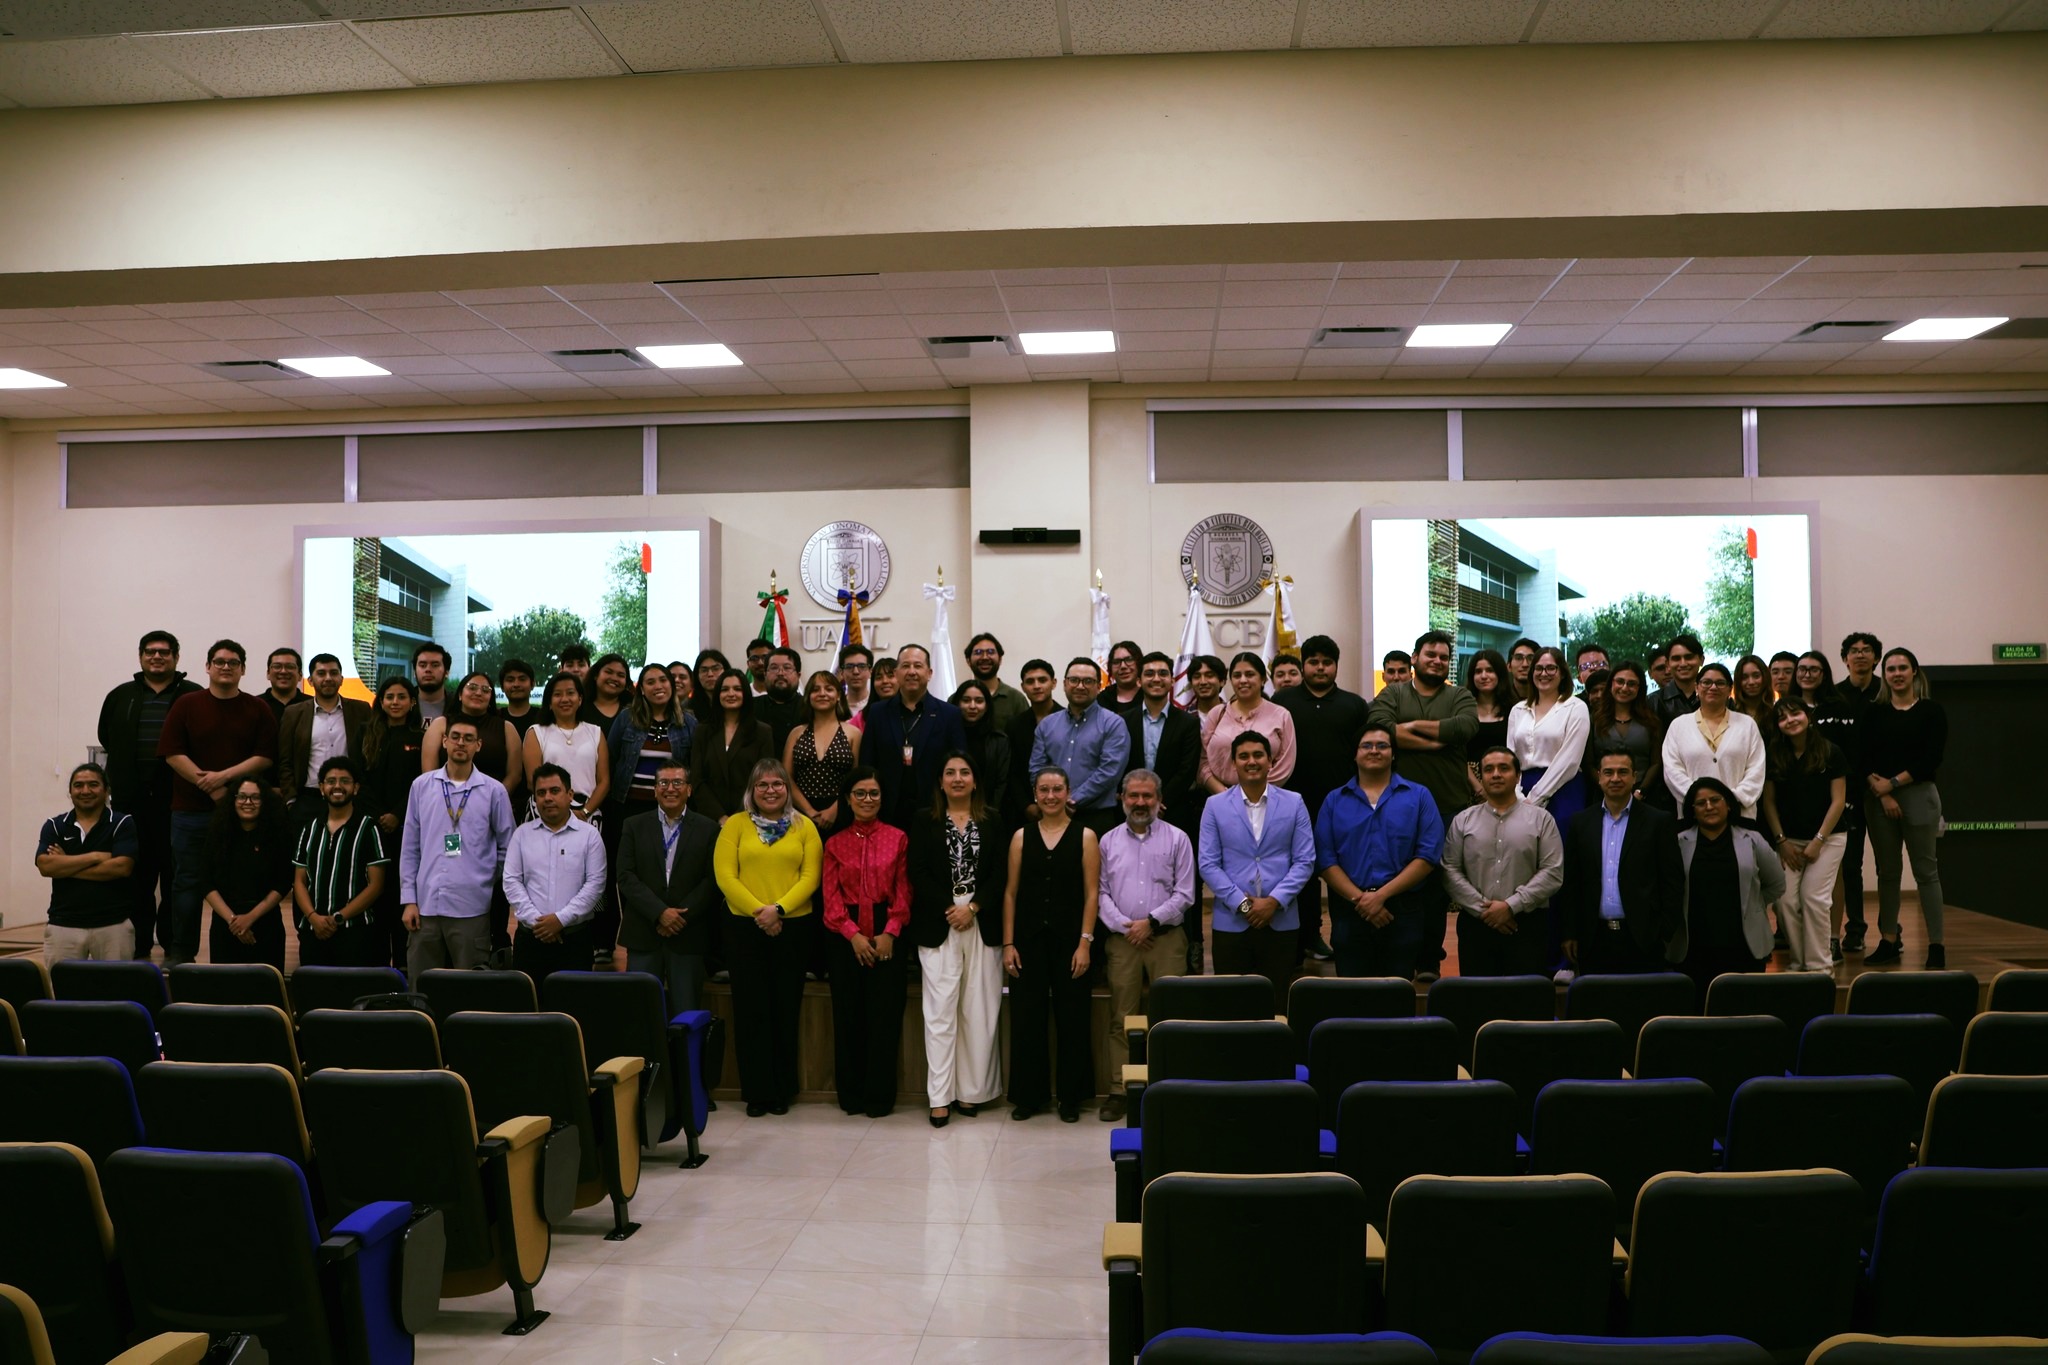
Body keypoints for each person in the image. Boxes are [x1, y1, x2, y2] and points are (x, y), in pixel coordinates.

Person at [159, 639, 278, 967]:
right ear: (208, 666)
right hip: (189, 812)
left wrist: (223, 778)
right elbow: (172, 753)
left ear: (243, 669)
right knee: (186, 882)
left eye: (233, 662)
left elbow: (265, 758)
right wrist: (208, 785)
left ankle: (242, 949)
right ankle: (181, 954)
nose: (226, 667)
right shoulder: (186, 704)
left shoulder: (257, 708)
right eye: (220, 661)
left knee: (241, 881)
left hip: (242, 814)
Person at [715, 760, 823, 1116]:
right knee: (751, 1010)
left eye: (778, 784)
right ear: (752, 790)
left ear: (787, 789)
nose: (771, 790)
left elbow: (810, 877)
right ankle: (757, 1092)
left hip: (793, 926)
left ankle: (782, 1091)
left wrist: (778, 909)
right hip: (744, 929)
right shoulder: (735, 825)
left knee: (784, 1009)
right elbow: (726, 878)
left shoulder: (804, 826)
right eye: (763, 785)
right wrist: (761, 913)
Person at [1368, 631, 1477, 983]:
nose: (1437, 661)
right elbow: (1380, 727)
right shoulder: (1394, 693)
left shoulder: (1459, 695)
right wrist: (1434, 743)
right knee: (1401, 881)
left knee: (1437, 889)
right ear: (1414, 658)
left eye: (1444, 657)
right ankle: (1400, 955)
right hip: (1399, 806)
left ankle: (1429, 959)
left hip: (1449, 804)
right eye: (1430, 654)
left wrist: (1411, 727)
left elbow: (1465, 727)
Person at [909, 752, 1007, 1127]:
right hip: (940, 921)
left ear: (976, 780)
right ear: (940, 781)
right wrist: (952, 908)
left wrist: (975, 907)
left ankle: (971, 1093)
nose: (957, 778)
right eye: (949, 772)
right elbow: (917, 871)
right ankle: (940, 1097)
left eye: (965, 772)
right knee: (939, 1014)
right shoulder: (924, 819)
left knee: (978, 1012)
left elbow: (1000, 872)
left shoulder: (993, 820)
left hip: (981, 921)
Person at [1003, 767, 1100, 1123]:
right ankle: (1030, 1096)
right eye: (1044, 789)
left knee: (1072, 1018)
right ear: (1035, 794)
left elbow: (1092, 894)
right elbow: (1010, 894)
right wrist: (1009, 942)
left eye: (1057, 789)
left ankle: (1071, 1097)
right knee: (1027, 1018)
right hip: (1027, 940)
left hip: (1070, 941)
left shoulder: (1086, 836)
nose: (1050, 796)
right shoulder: (1020, 837)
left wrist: (1085, 943)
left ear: (1067, 792)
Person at [1096, 768, 1193, 1120]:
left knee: (1170, 1018)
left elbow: (1185, 894)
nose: (1140, 802)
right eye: (1133, 796)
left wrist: (1150, 922)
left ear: (1159, 800)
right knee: (1121, 1018)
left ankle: (1171, 1086)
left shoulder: (1178, 838)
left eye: (1147, 796)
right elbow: (1101, 893)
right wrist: (1127, 927)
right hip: (1123, 942)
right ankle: (1120, 1090)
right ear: (1122, 799)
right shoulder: (1107, 842)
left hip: (1166, 940)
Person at [98, 630, 200, 960]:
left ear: (176, 658)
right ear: (140, 656)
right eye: (151, 652)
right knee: (136, 880)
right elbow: (107, 738)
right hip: (131, 806)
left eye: (165, 652)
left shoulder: (194, 696)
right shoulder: (120, 696)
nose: (157, 657)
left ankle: (175, 948)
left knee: (176, 880)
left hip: (179, 804)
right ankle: (138, 947)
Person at [1315, 723, 1445, 980]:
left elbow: (1428, 855)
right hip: (1350, 909)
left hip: (1403, 909)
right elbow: (1325, 858)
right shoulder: (1334, 800)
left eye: (1382, 746)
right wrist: (1362, 900)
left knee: (1398, 995)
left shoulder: (1419, 796)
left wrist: (1380, 896)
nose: (1374, 751)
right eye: (1366, 746)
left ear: (1394, 754)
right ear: (1354, 754)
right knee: (1352, 997)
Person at [821, 768, 910, 1118]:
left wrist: (890, 931)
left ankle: (879, 1097)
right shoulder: (834, 842)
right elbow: (830, 900)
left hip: (888, 933)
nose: (867, 799)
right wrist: (853, 935)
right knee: (848, 1016)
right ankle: (851, 1095)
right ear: (847, 799)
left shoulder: (899, 838)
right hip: (846, 938)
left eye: (873, 793)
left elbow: (904, 890)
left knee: (884, 1017)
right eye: (860, 793)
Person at [399, 716, 518, 976]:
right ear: (444, 741)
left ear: (479, 745)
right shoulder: (421, 787)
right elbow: (410, 847)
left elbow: (508, 847)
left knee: (469, 990)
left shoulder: (494, 791)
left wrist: (484, 879)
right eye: (455, 737)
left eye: (468, 739)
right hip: (426, 905)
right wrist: (409, 900)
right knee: (422, 987)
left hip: (471, 907)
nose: (460, 743)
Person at [1198, 730, 1314, 988]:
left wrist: (1274, 901)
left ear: (1270, 761)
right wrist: (1244, 905)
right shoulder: (1214, 806)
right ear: (1233, 763)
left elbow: (1305, 861)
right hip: (1232, 921)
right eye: (1244, 756)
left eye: (1259, 755)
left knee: (1277, 1002)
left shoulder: (1294, 803)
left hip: (1280, 919)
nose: (1252, 761)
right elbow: (1208, 863)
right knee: (1231, 1005)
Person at [602, 663, 696, 966]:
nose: (658, 685)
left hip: (669, 810)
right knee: (629, 875)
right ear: (640, 688)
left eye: (663, 680)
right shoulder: (627, 719)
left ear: (672, 686)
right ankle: (638, 939)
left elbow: (691, 766)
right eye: (650, 681)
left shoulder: (688, 723)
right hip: (629, 808)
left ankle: (665, 930)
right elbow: (613, 758)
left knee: (666, 874)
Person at [1439, 748, 1563, 976]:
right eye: (1489, 769)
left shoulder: (1541, 819)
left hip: (1526, 924)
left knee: (1525, 1005)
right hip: (1476, 925)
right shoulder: (1463, 821)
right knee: (1478, 1003)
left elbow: (1552, 872)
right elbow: (1450, 870)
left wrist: (1511, 906)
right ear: (1482, 777)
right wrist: (1485, 910)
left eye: (1504, 768)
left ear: (1518, 777)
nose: (1496, 774)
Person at [1560, 750, 1686, 975]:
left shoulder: (1658, 822)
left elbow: (1672, 881)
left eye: (1622, 772)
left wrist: (1663, 931)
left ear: (1634, 776)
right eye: (1608, 772)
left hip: (1643, 938)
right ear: (1599, 777)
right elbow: (1572, 882)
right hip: (1593, 939)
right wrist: (1570, 932)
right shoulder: (1581, 823)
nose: (1615, 778)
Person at [1861, 646, 1948, 968]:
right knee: (1888, 873)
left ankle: (1936, 945)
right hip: (1879, 798)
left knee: (1926, 873)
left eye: (1902, 668)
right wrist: (1882, 793)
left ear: (1914, 672)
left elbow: (1931, 758)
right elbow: (1863, 756)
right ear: (1884, 675)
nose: (1897, 673)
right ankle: (1888, 940)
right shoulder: (1874, 712)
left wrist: (1894, 784)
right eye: (1891, 669)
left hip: (1919, 795)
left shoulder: (1931, 711)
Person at [616, 762, 720, 1011]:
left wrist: (679, 915)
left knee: (687, 1015)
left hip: (688, 933)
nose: (670, 788)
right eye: (663, 783)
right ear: (654, 790)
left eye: (677, 783)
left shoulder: (708, 828)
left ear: (689, 790)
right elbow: (625, 876)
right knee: (639, 1013)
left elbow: (712, 880)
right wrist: (660, 913)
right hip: (643, 931)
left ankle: (685, 1054)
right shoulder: (633, 825)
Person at [1123, 652, 1205, 970]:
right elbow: (1122, 764)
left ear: (1172, 680)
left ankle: (1190, 944)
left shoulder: (1188, 721)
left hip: (1175, 812)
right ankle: (1132, 940)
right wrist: (1137, 802)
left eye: (1162, 673)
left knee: (1183, 881)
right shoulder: (1125, 720)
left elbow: (1187, 768)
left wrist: (1158, 801)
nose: (1156, 678)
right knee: (1133, 878)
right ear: (1140, 679)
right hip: (1131, 815)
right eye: (1150, 673)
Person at [1674, 776, 1786, 1005]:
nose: (1709, 807)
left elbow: (1777, 884)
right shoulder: (1678, 843)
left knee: (1744, 1013)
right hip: (1694, 950)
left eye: (1715, 800)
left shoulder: (1752, 839)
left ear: (1728, 804)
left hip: (1744, 947)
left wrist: (1752, 902)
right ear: (1692, 811)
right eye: (1701, 803)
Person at [1761, 697, 1849, 973]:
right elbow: (1769, 803)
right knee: (1784, 901)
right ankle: (1800, 964)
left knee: (1814, 899)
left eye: (1795, 714)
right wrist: (1782, 842)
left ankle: (1821, 969)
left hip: (1829, 838)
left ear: (1808, 716)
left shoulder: (1830, 751)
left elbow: (1838, 802)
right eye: (1783, 718)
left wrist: (1818, 842)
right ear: (1778, 726)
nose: (1791, 721)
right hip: (1788, 841)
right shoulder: (1774, 754)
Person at [504, 764, 607, 987]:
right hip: (530, 941)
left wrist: (560, 920)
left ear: (570, 795)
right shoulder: (522, 835)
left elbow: (595, 885)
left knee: (573, 1012)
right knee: (529, 1013)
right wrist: (538, 923)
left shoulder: (589, 836)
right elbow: (511, 881)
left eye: (554, 791)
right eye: (541, 793)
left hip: (574, 941)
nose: (547, 798)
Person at [290, 757, 389, 967]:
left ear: (355, 788)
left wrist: (338, 918)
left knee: (353, 997)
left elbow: (377, 885)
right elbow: (299, 882)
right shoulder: (309, 829)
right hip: (313, 931)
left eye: (345, 781)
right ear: (321, 788)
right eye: (331, 781)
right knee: (315, 998)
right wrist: (313, 917)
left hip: (355, 933)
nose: (337, 786)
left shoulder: (369, 828)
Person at [36, 764, 138, 965]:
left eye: (93, 785)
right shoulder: (54, 825)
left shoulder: (122, 823)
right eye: (78, 785)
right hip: (63, 926)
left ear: (106, 790)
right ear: (70, 791)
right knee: (62, 994)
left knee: (117, 994)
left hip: (113, 926)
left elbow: (122, 867)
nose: (85, 791)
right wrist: (95, 857)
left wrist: (65, 865)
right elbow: (46, 867)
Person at [862, 644, 968, 831]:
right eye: (905, 666)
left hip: (935, 809)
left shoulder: (949, 714)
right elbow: (867, 761)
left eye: (918, 666)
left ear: (929, 672)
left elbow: (958, 763)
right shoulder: (878, 713)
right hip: (887, 810)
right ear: (896, 673)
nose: (911, 672)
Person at [1029, 656, 1133, 837]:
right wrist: (1052, 798)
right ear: (1064, 683)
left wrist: (1071, 800)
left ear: (1099, 686)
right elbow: (1036, 769)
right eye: (1074, 680)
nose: (1080, 686)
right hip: (1051, 815)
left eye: (1088, 681)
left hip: (1096, 818)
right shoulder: (1047, 725)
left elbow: (1110, 772)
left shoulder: (1113, 724)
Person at [361, 676, 424, 969]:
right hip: (370, 829)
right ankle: (374, 971)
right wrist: (379, 815)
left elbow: (419, 783)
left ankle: (402, 969)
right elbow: (358, 780)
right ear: (381, 701)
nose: (395, 702)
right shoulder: (366, 733)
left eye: (401, 697)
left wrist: (397, 814)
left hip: (406, 830)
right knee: (374, 900)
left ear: (412, 702)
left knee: (400, 897)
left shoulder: (420, 738)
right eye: (389, 697)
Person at [274, 653, 372, 825]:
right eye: (321, 673)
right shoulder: (294, 713)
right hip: (308, 799)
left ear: (341, 679)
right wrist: (291, 800)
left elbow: (369, 755)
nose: (328, 678)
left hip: (351, 798)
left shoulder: (361, 710)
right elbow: (285, 760)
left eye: (333, 673)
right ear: (310, 680)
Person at [1832, 632, 1884, 956]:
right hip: (1847, 792)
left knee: (1886, 866)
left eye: (1867, 651)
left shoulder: (1887, 691)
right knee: (1850, 865)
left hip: (1883, 790)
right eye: (1855, 651)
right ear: (1845, 659)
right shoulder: (1835, 697)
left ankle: (1891, 931)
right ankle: (1855, 930)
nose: (1861, 655)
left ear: (1876, 658)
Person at [204, 777, 291, 968]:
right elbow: (206, 881)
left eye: (255, 798)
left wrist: (249, 918)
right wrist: (234, 922)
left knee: (267, 992)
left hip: (265, 923)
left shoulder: (277, 835)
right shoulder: (218, 833)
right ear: (233, 800)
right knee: (225, 992)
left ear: (264, 801)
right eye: (242, 797)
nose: (248, 803)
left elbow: (283, 882)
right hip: (225, 924)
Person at [1662, 662, 1767, 819]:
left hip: (1739, 814)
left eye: (1720, 683)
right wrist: (1700, 801)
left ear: (1729, 689)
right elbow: (1672, 771)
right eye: (1706, 682)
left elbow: (1756, 770)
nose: (1713, 687)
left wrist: (1731, 800)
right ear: (1697, 687)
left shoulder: (1747, 724)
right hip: (1693, 816)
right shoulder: (1679, 725)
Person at [1508, 646, 1592, 841]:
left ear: (1562, 673)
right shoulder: (1518, 710)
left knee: (1560, 851)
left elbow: (1569, 760)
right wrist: (1517, 796)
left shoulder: (1576, 707)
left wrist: (1535, 798)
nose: (1543, 674)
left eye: (1550, 668)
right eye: (1538, 669)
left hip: (1563, 789)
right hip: (1521, 789)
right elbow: (1509, 757)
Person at [1200, 652, 1298, 793]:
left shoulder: (1281, 715)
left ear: (1263, 679)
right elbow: (1203, 763)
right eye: (1237, 675)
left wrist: (1252, 795)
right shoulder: (1217, 714)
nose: (1243, 680)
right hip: (1220, 799)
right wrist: (1225, 795)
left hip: (1268, 798)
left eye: (1250, 674)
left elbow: (1285, 765)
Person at [423, 672, 524, 803]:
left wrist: (496, 799)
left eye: (485, 690)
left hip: (492, 802)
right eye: (472, 687)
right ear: (460, 694)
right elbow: (429, 773)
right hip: (444, 801)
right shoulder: (440, 724)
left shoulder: (506, 728)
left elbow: (514, 775)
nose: (478, 693)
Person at [691, 668, 775, 823]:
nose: (731, 694)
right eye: (724, 689)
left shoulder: (762, 732)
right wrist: (720, 816)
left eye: (737, 689)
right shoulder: (702, 731)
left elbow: (763, 779)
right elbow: (697, 779)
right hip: (708, 819)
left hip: (750, 817)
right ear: (718, 695)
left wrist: (738, 816)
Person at [522, 672, 610, 820]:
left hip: (586, 814)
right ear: (549, 702)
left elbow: (604, 781)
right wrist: (563, 813)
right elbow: (532, 781)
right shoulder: (536, 732)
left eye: (570, 693)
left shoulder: (596, 732)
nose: (565, 699)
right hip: (547, 812)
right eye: (557, 694)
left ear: (580, 699)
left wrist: (584, 812)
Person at [785, 670, 860, 836]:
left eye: (829, 689)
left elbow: (856, 778)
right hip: (800, 814)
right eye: (815, 689)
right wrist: (809, 811)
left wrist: (834, 809)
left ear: (839, 695)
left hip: (841, 812)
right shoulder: (796, 733)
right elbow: (786, 777)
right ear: (808, 696)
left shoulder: (853, 733)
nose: (822, 694)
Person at [1585, 659, 1664, 804]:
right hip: (1602, 797)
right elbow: (1589, 763)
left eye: (1632, 684)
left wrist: (1641, 792)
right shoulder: (1593, 720)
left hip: (1642, 798)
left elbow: (1656, 763)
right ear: (1611, 684)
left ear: (1640, 688)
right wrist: (1605, 788)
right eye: (1620, 681)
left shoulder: (1652, 721)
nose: (1625, 687)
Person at [1003, 658, 1060, 829]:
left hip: (1063, 805)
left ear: (1054, 683)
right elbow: (1011, 770)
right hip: (1025, 811)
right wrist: (1026, 805)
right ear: (1023, 687)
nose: (1036, 686)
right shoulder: (1014, 725)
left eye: (1042, 680)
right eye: (1030, 681)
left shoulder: (1069, 719)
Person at [950, 680, 1012, 820]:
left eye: (979, 701)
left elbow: (1001, 783)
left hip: (988, 815)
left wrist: (989, 814)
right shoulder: (946, 737)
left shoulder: (999, 740)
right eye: (966, 700)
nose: (972, 706)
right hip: (949, 814)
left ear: (987, 706)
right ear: (957, 703)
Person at [1463, 649, 1513, 798]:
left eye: (1490, 670)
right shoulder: (1463, 709)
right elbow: (1457, 754)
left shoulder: (1514, 709)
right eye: (1478, 671)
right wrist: (1478, 788)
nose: (1484, 676)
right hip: (1469, 786)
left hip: (1507, 783)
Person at [965, 632, 1030, 731]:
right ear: (968, 660)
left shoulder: (1016, 699)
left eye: (990, 652)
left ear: (1000, 659)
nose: (985, 657)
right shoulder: (957, 699)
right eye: (978, 652)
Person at [751, 646, 806, 756]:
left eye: (787, 668)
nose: (780, 673)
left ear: (798, 675)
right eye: (774, 668)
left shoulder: (809, 707)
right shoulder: (750, 706)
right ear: (765, 674)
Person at [1654, 634, 1704, 726]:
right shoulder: (1653, 702)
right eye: (1676, 658)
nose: (1683, 664)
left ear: (1701, 660)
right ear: (1668, 664)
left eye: (1689, 657)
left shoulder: (1719, 698)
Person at [580, 653, 633, 735]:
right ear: (595, 675)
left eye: (620, 675)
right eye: (608, 672)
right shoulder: (579, 707)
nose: (614, 678)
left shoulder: (635, 709)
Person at [1732, 654, 1775, 732]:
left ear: (1765, 677)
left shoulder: (1776, 712)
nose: (1751, 682)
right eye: (1744, 677)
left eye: (1756, 676)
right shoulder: (1729, 712)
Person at [500, 659, 542, 737]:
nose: (516, 684)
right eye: (510, 680)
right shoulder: (495, 718)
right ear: (502, 686)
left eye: (522, 679)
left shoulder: (543, 718)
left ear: (532, 684)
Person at [412, 643, 451, 722]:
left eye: (435, 665)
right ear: (414, 672)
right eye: (422, 665)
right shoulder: (402, 703)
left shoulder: (458, 706)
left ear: (446, 673)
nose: (428, 669)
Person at [260, 647, 304, 718]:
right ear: (268, 673)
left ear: (300, 675)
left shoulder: (312, 706)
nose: (283, 671)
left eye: (290, 667)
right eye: (277, 666)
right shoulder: (254, 705)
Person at [1103, 640, 1144, 714]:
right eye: (1116, 662)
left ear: (1139, 663)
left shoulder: (1149, 697)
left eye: (1129, 660)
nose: (1123, 666)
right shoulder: (1102, 699)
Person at [836, 643, 874, 717]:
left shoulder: (877, 706)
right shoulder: (835, 707)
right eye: (849, 667)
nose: (856, 672)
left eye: (862, 666)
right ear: (841, 673)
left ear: (870, 672)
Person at [1186, 655, 1227, 720]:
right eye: (1197, 677)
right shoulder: (1181, 718)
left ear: (1222, 681)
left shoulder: (1234, 715)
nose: (1203, 682)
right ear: (1191, 684)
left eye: (1209, 676)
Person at [1507, 638, 1540, 702]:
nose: (1525, 664)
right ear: (1509, 666)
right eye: (1518, 658)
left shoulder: (1550, 700)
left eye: (1531, 659)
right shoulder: (1499, 701)